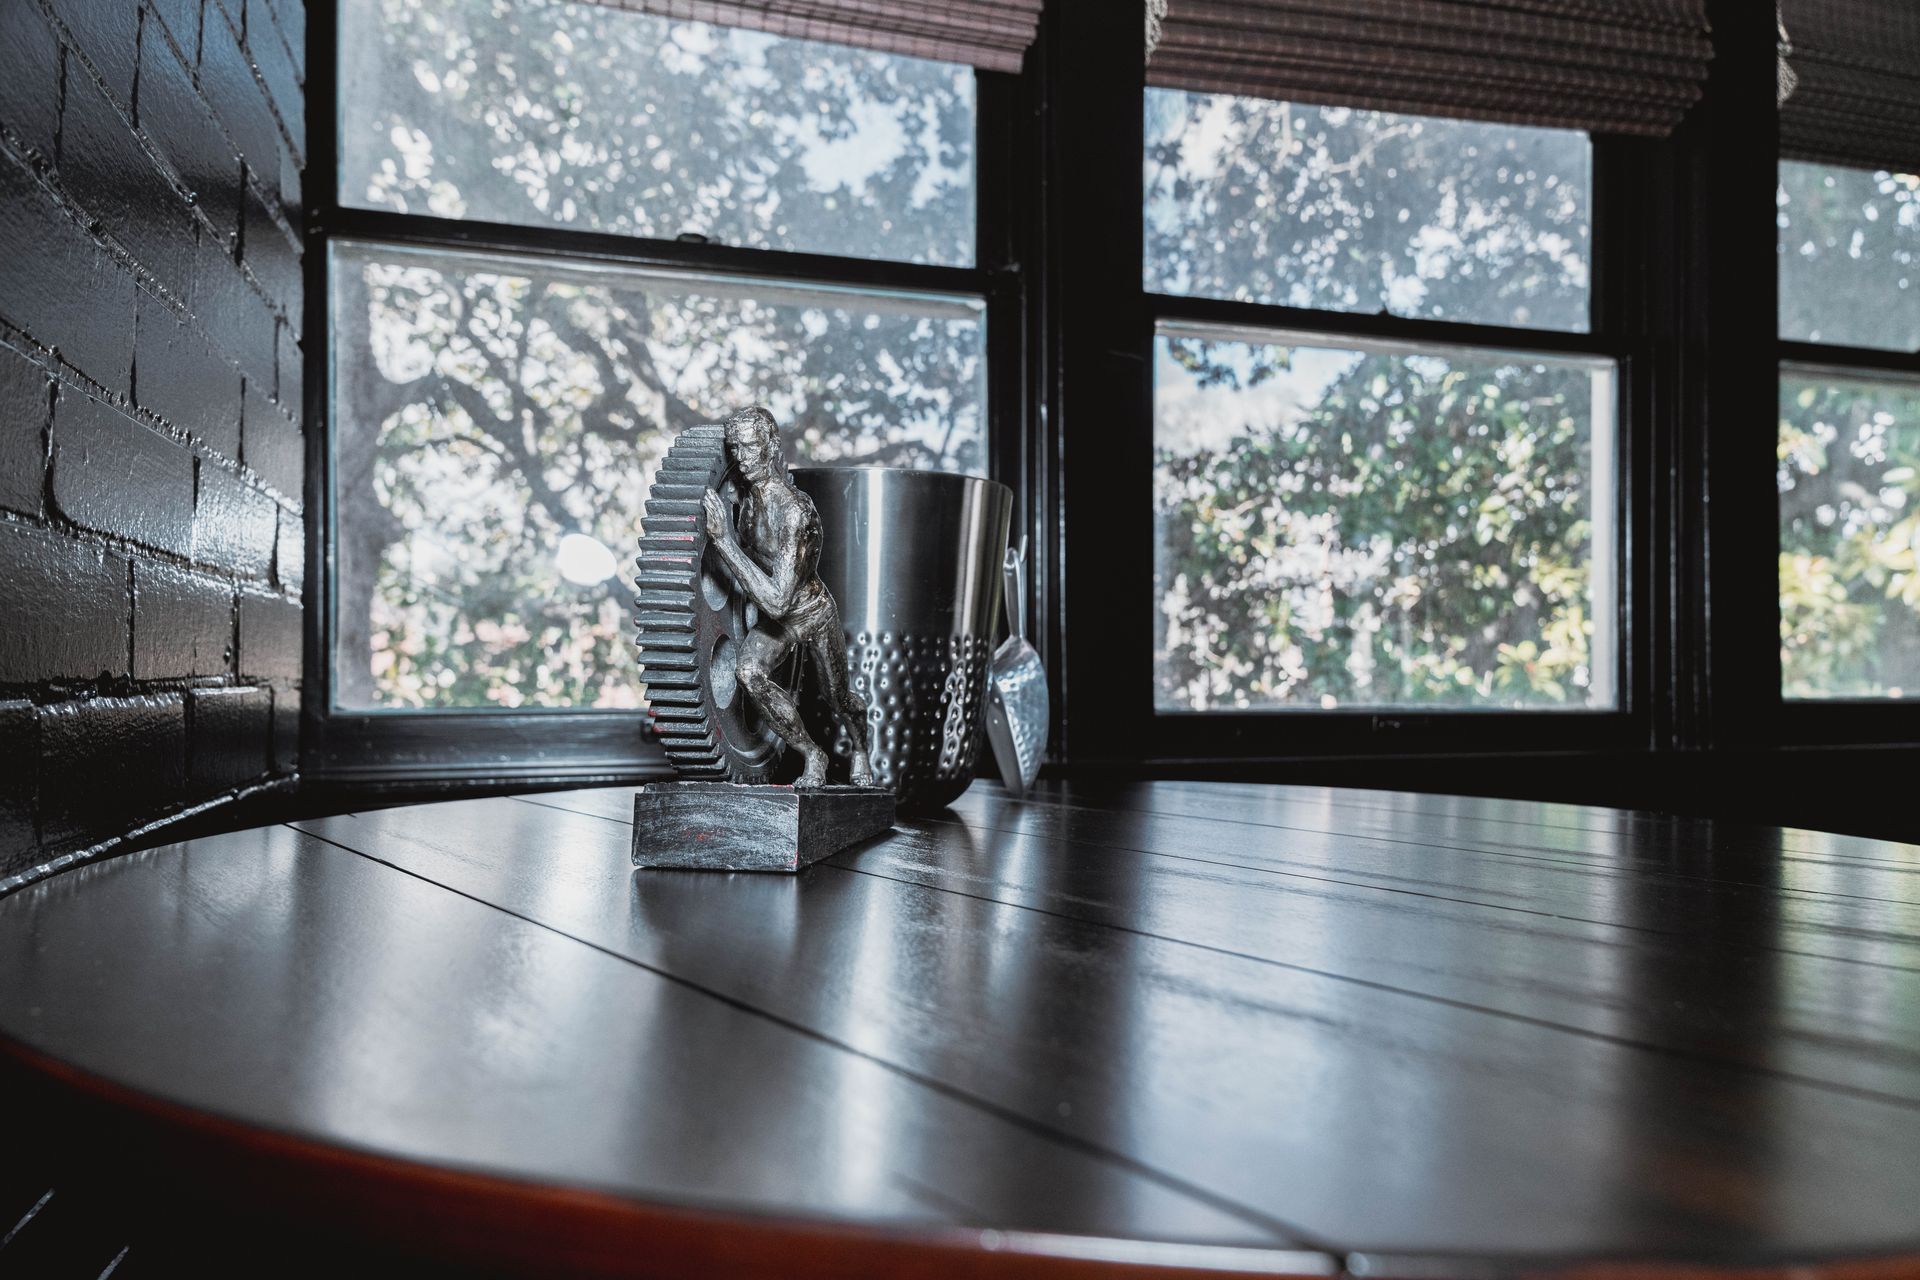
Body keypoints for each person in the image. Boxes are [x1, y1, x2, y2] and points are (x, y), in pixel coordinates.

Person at [701, 407, 875, 789]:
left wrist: (725, 543)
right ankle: (813, 754)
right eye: (737, 450)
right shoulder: (745, 503)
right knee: (748, 673)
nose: (744, 459)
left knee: (838, 698)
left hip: (810, 613)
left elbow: (779, 600)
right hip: (776, 621)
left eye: (751, 447)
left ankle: (861, 749)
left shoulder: (796, 513)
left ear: (771, 446)